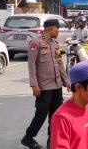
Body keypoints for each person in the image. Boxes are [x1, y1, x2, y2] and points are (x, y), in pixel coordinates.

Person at [21, 19, 71, 149]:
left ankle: (52, 141)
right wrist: (34, 84)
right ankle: (28, 138)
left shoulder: (55, 44)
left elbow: (60, 63)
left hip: (57, 86)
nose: (58, 32)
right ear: (51, 28)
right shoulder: (35, 44)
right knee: (41, 115)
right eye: (57, 29)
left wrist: (67, 82)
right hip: (44, 87)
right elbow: (31, 66)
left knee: (55, 116)